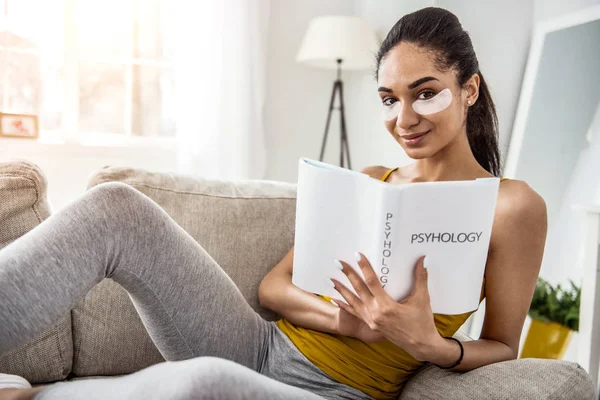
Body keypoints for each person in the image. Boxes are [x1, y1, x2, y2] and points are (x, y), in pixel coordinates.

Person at [0, 6, 547, 400]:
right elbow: (274, 288)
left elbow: (503, 345)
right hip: (258, 343)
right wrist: (344, 321)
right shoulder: (372, 181)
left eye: (426, 92)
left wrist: (433, 346)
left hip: (335, 392)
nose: (404, 119)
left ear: (469, 89)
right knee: (117, 206)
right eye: (389, 99)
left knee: (202, 384)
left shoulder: (510, 207)